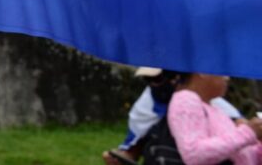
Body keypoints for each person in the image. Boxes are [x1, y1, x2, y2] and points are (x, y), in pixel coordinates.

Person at [103, 68, 243, 165]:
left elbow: (239, 124)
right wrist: (118, 158)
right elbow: (131, 147)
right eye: (149, 79)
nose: (156, 83)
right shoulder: (144, 108)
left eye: (161, 77)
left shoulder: (209, 102)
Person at [168, 73, 262, 165]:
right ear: (203, 72)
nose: (227, 78)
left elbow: (243, 156)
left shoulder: (215, 109)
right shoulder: (186, 99)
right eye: (223, 73)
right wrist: (248, 132)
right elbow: (194, 154)